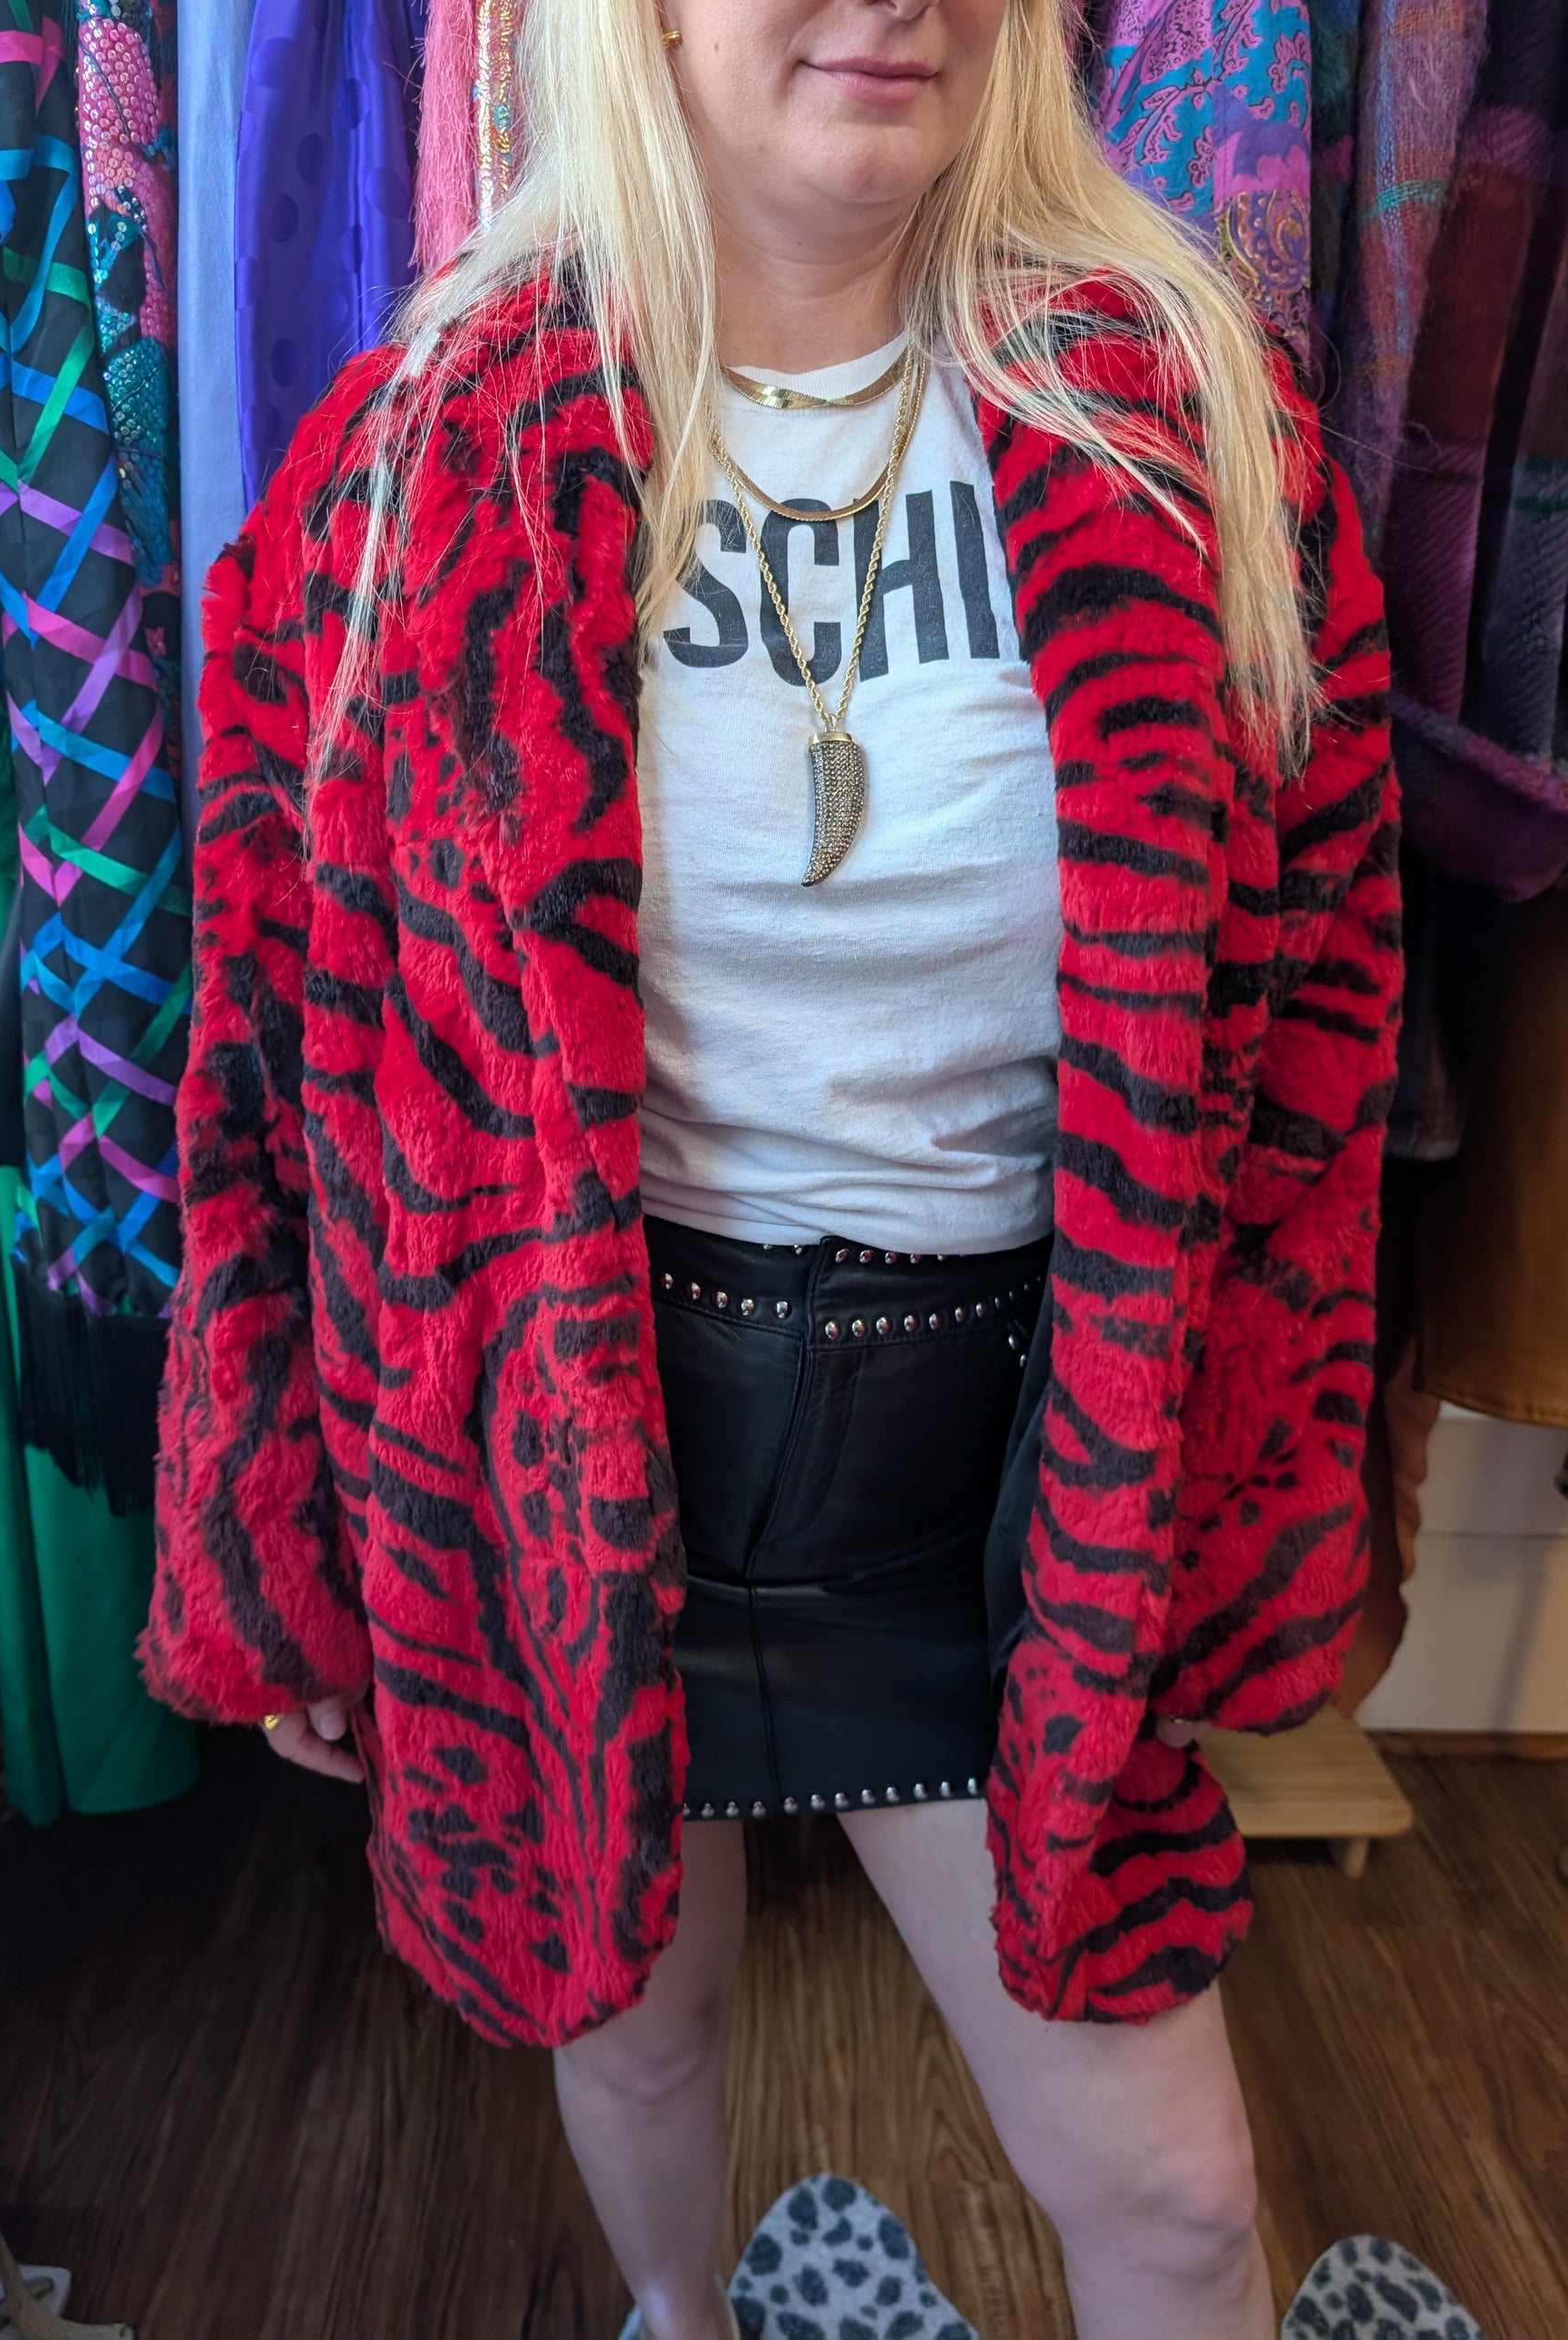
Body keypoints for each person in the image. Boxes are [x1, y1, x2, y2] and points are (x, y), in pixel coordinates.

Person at [142, 4, 1401, 2337]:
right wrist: (279, 1512)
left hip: (995, 1509)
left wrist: (1252, 1505)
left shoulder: (1187, 427)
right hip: (569, 1467)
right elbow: (277, 1049)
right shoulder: (429, 451)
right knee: (636, 2031)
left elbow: (1314, 1022)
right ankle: (681, 2315)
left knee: (1177, 2206)